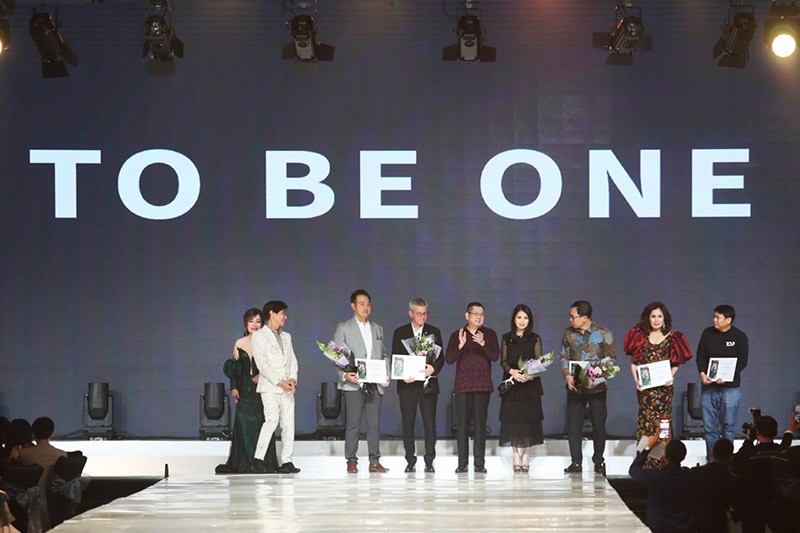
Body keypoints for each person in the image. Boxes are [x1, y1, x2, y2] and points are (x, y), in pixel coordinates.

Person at [623, 302, 693, 468]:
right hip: (645, 391)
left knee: (662, 424)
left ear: (664, 318)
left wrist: (671, 376)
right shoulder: (641, 337)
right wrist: (637, 381)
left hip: (663, 390)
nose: (656, 319)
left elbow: (676, 364)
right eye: (653, 316)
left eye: (659, 316)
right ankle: (644, 461)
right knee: (646, 423)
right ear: (648, 317)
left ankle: (663, 461)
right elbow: (634, 364)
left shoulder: (672, 338)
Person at [215, 308, 279, 474]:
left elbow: (275, 366)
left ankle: (261, 462)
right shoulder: (240, 343)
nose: (255, 325)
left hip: (263, 389)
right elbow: (234, 369)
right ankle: (245, 463)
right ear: (246, 323)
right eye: (251, 321)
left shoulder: (268, 342)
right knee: (243, 425)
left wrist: (263, 376)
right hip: (244, 389)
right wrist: (234, 387)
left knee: (262, 424)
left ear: (263, 323)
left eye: (258, 321)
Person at [335, 289, 390, 474]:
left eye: (368, 304)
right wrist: (345, 375)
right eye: (361, 303)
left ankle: (374, 461)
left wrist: (386, 374)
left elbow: (383, 355)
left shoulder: (378, 328)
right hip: (354, 384)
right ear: (353, 306)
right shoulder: (344, 327)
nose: (366, 307)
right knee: (353, 424)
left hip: (374, 383)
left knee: (374, 425)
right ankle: (351, 460)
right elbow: (337, 357)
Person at [560, 300, 616, 474]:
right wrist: (567, 375)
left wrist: (599, 370)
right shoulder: (569, 334)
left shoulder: (603, 333)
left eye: (573, 316)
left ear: (584, 318)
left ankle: (598, 461)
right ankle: (576, 462)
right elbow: (564, 357)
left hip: (596, 388)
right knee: (574, 425)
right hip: (575, 386)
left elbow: (612, 359)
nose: (570, 319)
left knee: (598, 424)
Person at [390, 298, 444, 474]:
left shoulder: (434, 332)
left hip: (428, 385)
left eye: (425, 313)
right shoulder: (400, 332)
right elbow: (395, 358)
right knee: (408, 422)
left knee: (430, 423)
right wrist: (403, 375)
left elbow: (441, 357)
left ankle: (430, 461)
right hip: (408, 386)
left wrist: (433, 368)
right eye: (419, 314)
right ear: (410, 313)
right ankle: (410, 460)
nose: (422, 317)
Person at [445, 301, 500, 474]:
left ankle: (479, 463)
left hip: (483, 386)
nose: (479, 317)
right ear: (467, 316)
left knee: (480, 426)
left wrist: (483, 343)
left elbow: (495, 356)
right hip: (462, 386)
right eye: (475, 314)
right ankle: (462, 464)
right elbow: (449, 359)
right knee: (461, 426)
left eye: (481, 314)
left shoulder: (489, 334)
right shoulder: (457, 334)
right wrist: (460, 346)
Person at [251, 300, 300, 474]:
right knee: (271, 421)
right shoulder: (259, 335)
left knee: (288, 425)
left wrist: (292, 379)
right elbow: (262, 364)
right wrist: (280, 381)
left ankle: (287, 461)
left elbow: (292, 360)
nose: (285, 317)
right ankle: (258, 459)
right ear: (272, 313)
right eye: (282, 314)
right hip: (271, 387)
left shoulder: (286, 337)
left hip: (288, 388)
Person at [696, 304, 749, 461]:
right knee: (709, 428)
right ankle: (711, 460)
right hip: (709, 388)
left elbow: (742, 362)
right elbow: (701, 356)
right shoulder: (707, 333)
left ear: (728, 320)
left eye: (717, 317)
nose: (714, 320)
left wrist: (727, 376)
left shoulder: (740, 337)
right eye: (714, 316)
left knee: (728, 427)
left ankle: (727, 461)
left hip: (730, 389)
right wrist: (703, 374)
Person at [498, 304, 545, 473]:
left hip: (529, 385)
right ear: (514, 319)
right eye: (519, 317)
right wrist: (511, 371)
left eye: (525, 318)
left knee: (528, 419)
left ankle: (526, 454)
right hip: (512, 384)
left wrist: (529, 375)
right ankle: (515, 454)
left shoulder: (535, 338)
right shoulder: (506, 338)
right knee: (512, 419)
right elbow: (503, 361)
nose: (522, 321)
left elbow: (540, 362)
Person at [731, 414, 793, 533]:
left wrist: (749, 440)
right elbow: (784, 447)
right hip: (778, 503)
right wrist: (790, 431)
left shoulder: (748, 454)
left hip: (752, 506)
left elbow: (735, 464)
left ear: (757, 432)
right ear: (775, 432)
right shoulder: (782, 453)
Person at [629, 437, 694, 533]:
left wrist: (648, 448)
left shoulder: (656, 476)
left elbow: (633, 470)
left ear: (664, 456)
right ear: (684, 456)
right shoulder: (690, 476)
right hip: (683, 527)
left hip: (658, 527)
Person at [689, 438, 740, 533]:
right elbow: (738, 507)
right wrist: (733, 514)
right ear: (731, 458)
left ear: (711, 452)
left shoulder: (695, 473)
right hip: (719, 523)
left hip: (697, 523)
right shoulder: (732, 479)